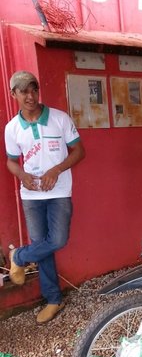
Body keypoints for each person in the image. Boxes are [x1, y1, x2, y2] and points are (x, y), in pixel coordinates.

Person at [4, 70, 85, 324]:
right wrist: (21, 175)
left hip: (59, 192)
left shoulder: (59, 119)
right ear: (13, 94)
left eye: (34, 89)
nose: (30, 95)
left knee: (57, 239)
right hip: (31, 195)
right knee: (42, 247)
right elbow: (11, 161)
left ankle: (18, 257)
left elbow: (79, 151)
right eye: (23, 91)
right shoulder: (12, 128)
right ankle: (53, 299)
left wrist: (56, 169)